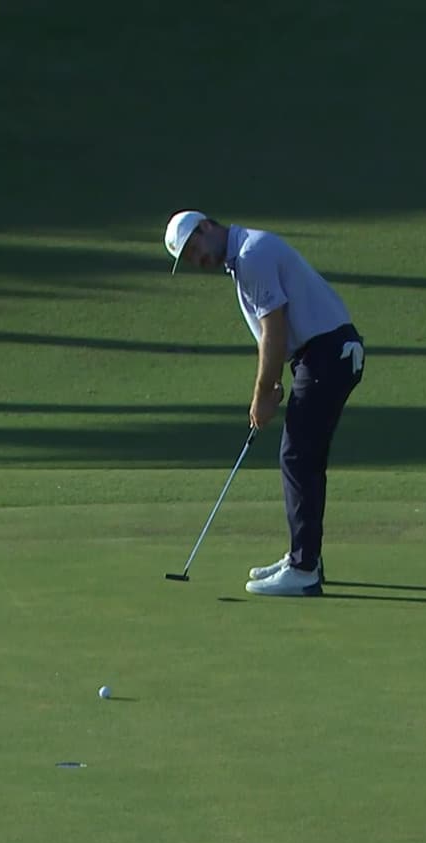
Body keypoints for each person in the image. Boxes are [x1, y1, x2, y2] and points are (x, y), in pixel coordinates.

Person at [163, 210, 365, 596]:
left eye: (193, 249)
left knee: (297, 456)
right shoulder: (244, 257)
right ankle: (305, 557)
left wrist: (262, 394)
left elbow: (273, 329)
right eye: (188, 259)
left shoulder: (252, 254)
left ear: (206, 227)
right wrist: (272, 385)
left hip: (326, 353)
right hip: (324, 355)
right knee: (305, 457)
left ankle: (303, 568)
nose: (197, 260)